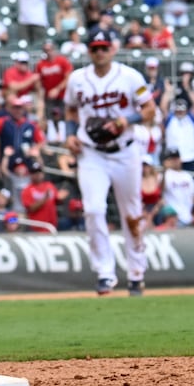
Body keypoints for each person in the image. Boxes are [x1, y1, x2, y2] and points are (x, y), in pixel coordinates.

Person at [64, 30, 157, 296]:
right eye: (95, 48)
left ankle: (137, 273)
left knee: (132, 214)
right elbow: (70, 108)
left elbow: (149, 109)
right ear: (89, 51)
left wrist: (127, 120)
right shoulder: (77, 79)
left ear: (113, 49)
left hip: (125, 151)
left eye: (104, 47)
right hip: (91, 152)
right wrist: (70, 134)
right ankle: (105, 273)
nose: (100, 52)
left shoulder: (129, 76)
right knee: (93, 209)